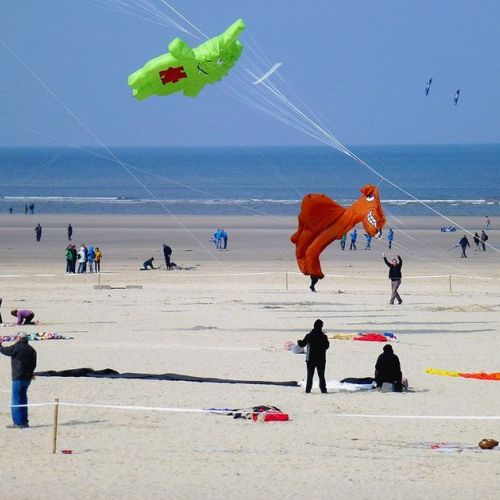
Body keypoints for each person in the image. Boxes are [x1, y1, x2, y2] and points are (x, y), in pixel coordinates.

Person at [0, 332, 37, 428]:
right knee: (23, 399)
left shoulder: (17, 347)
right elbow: (34, 364)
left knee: (16, 400)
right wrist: (32, 373)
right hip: (28, 377)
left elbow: (5, 351)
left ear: (20, 338)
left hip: (19, 377)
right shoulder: (32, 349)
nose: (15, 339)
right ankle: (24, 422)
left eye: (16, 337)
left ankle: (18, 423)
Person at [297, 319, 329, 394]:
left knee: (310, 375)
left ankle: (308, 390)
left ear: (314, 326)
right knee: (321, 376)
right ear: (321, 327)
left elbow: (302, 344)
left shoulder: (309, 335)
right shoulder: (324, 336)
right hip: (321, 359)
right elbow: (327, 346)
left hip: (310, 359)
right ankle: (323, 390)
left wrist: (299, 342)